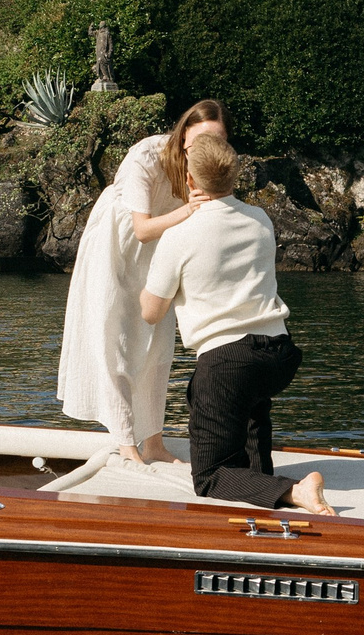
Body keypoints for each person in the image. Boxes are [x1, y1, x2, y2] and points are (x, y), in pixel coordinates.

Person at [140, 135, 331, 515]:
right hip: (277, 353)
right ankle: (266, 503)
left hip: (227, 361)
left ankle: (297, 492)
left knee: (210, 476)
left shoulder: (179, 236)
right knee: (249, 418)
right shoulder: (259, 219)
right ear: (234, 177)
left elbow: (151, 311)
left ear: (190, 182)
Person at [55, 99, 229, 463]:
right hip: (115, 248)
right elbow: (141, 228)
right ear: (183, 136)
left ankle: (154, 444)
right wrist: (189, 209)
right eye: (200, 140)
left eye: (217, 139)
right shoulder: (146, 156)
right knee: (113, 340)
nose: (207, 148)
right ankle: (126, 444)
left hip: (161, 254)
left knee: (159, 346)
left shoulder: (209, 167)